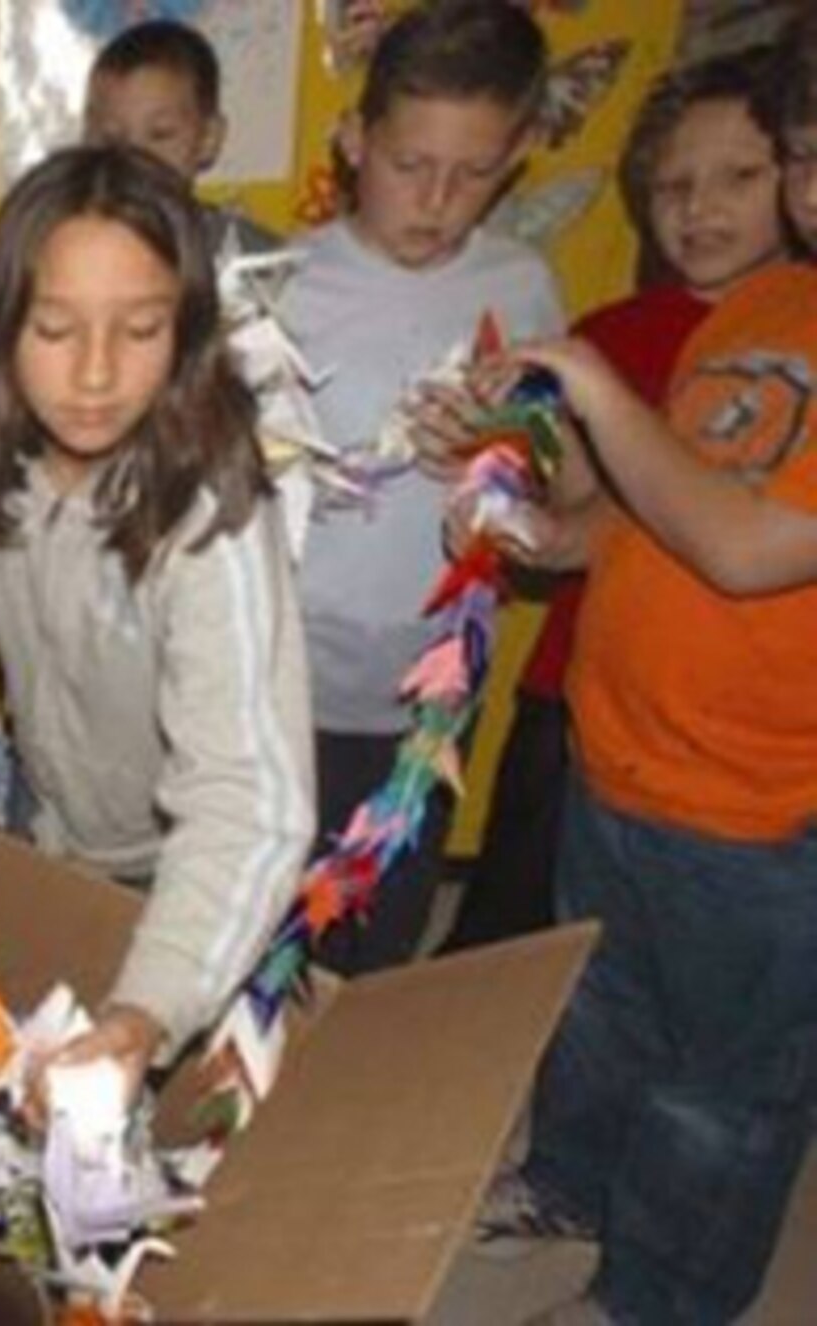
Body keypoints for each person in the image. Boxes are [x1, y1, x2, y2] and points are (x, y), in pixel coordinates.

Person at [470, 31, 817, 1321]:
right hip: (618, 764)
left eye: (748, 173)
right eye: (804, 157)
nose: (807, 189)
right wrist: (536, 530)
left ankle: (653, 1299)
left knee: (718, 1095)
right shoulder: (764, 312)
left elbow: (740, 550)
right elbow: (645, 511)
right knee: (603, 1012)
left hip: (756, 818)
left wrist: (585, 379)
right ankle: (567, 1186)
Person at [0, 145, 313, 1095]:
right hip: (43, 830)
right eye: (54, 328)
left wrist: (145, 1012)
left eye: (140, 329)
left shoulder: (211, 512)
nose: (94, 374)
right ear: (1, 325)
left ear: (188, 332)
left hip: (181, 869)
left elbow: (248, 802)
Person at [444, 48, 786, 952]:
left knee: (676, 961)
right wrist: (508, 488)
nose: (699, 209)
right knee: (508, 930)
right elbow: (580, 511)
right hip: (573, 684)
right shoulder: (609, 332)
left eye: (739, 178)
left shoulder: (789, 337)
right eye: (673, 185)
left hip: (733, 734)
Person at [280, 0, 563, 974]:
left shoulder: (522, 287)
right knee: (268, 923)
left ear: (515, 158)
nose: (437, 200)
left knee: (380, 929)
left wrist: (499, 459)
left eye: (472, 173)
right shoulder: (284, 284)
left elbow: (548, 466)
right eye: (410, 165)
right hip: (285, 676)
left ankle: (366, 1063)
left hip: (431, 692)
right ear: (355, 140)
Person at [82, 17, 280, 254]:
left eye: (160, 134)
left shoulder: (252, 259)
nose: (134, 160)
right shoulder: (61, 248)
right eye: (111, 140)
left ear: (208, 138)